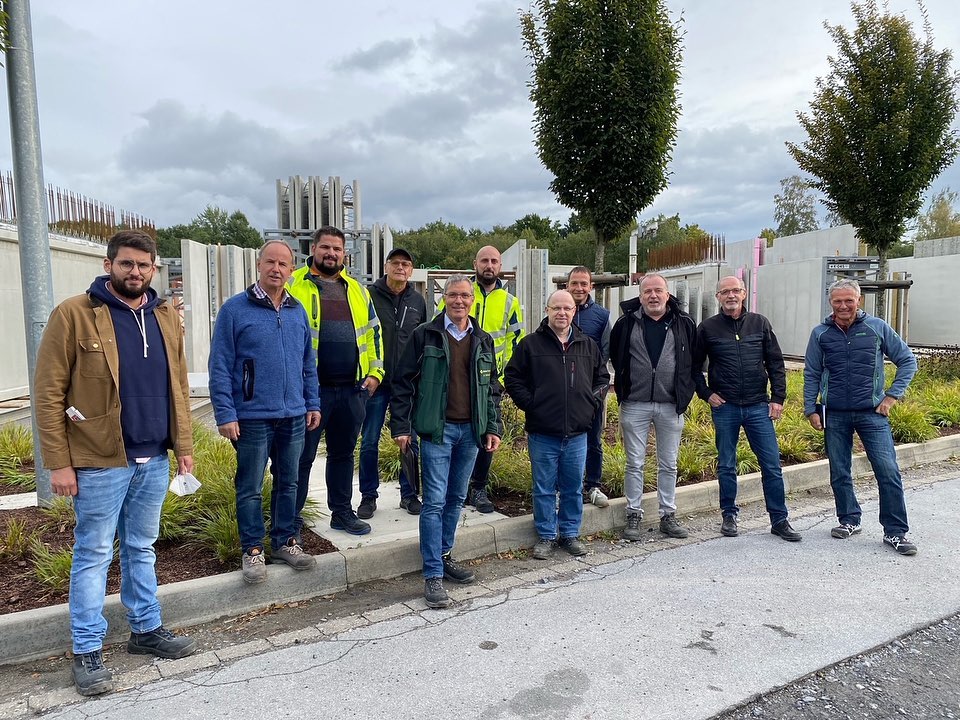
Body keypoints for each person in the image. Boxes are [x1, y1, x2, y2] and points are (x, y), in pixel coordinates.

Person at [34, 230, 197, 696]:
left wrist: (183, 447)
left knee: (142, 547)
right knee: (93, 554)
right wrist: (58, 464)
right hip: (100, 460)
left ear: (153, 268)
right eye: (127, 263)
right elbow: (48, 393)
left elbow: (178, 386)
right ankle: (87, 649)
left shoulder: (164, 315)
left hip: (154, 457)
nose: (136, 272)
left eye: (144, 265)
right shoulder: (74, 314)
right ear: (109, 265)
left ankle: (146, 630)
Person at [208, 241, 322, 584]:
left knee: (289, 481)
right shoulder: (235, 310)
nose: (276, 269)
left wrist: (312, 402)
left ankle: (285, 541)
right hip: (252, 416)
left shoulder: (297, 310)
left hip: (293, 415)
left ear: (291, 270)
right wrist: (225, 413)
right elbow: (220, 365)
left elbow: (307, 363)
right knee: (250, 486)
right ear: (259, 265)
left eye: (283, 264)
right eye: (270, 262)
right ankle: (253, 549)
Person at [390, 275, 502, 608]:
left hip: (471, 432)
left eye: (465, 296)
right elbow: (403, 383)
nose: (459, 301)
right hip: (437, 431)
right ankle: (433, 574)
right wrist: (401, 426)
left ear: (472, 300)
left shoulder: (482, 339)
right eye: (453, 295)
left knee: (455, 499)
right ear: (444, 299)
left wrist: (492, 426)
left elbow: (491, 389)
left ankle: (443, 555)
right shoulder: (425, 335)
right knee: (435, 502)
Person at [803, 278, 919, 556]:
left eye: (849, 300)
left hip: (872, 413)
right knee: (839, 471)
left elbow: (907, 360)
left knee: (888, 471)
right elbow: (812, 372)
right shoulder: (820, 333)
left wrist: (892, 396)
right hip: (835, 414)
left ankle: (895, 532)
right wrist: (810, 408)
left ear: (859, 300)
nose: (843, 305)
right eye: (837, 301)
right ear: (830, 303)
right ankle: (849, 520)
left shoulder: (876, 327)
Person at [287, 226, 384, 536]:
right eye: (325, 247)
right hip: (311, 391)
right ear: (313, 249)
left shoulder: (357, 290)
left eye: (337, 249)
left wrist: (375, 373)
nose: (331, 253)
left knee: (343, 454)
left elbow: (374, 333)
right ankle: (290, 521)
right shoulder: (293, 285)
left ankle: (341, 512)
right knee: (301, 458)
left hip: (352, 390)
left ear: (344, 254)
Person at [694, 276, 801, 542]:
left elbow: (775, 362)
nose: (731, 295)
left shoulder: (759, 323)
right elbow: (692, 367)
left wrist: (778, 398)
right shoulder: (707, 328)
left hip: (758, 406)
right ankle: (729, 515)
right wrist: (706, 393)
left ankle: (779, 519)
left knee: (771, 465)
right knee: (727, 465)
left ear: (743, 294)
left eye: (735, 290)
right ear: (718, 297)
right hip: (725, 407)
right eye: (725, 292)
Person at [504, 290, 609, 560]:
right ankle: (547, 535)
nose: (562, 313)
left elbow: (602, 379)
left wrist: (589, 404)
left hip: (577, 433)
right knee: (543, 488)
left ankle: (570, 534)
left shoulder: (587, 345)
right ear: (547, 310)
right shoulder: (530, 345)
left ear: (574, 311)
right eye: (556, 308)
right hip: (543, 432)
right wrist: (531, 404)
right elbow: (512, 377)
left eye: (567, 308)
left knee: (573, 488)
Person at [609, 274, 698, 542]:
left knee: (668, 464)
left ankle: (668, 515)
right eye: (647, 291)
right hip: (635, 403)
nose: (653, 295)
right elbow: (616, 356)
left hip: (671, 405)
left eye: (658, 290)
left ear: (667, 294)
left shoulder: (684, 323)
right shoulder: (626, 323)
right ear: (640, 296)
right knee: (634, 463)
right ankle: (633, 514)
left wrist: (686, 393)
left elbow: (693, 361)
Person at [358, 247, 427, 516]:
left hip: (407, 384)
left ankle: (409, 495)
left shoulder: (418, 301)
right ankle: (368, 496)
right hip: (376, 382)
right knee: (369, 441)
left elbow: (424, 339)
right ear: (386, 266)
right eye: (395, 263)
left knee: (410, 441)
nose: (400, 267)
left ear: (411, 270)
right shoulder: (369, 296)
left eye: (406, 264)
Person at [463, 245, 524, 514]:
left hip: (491, 380)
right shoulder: (462, 292)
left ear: (500, 266)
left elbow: (516, 341)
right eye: (484, 261)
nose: (489, 265)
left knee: (489, 432)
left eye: (494, 261)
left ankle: (478, 488)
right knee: (458, 433)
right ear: (475, 264)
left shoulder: (510, 302)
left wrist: (507, 376)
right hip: (459, 376)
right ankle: (458, 486)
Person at [567, 266, 612, 508]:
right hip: (562, 391)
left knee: (593, 439)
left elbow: (604, 354)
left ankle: (593, 485)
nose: (579, 288)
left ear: (591, 286)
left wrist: (596, 391)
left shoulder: (602, 316)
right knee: (564, 439)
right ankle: (564, 488)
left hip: (590, 391)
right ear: (567, 285)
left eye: (584, 283)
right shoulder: (560, 310)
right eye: (574, 283)